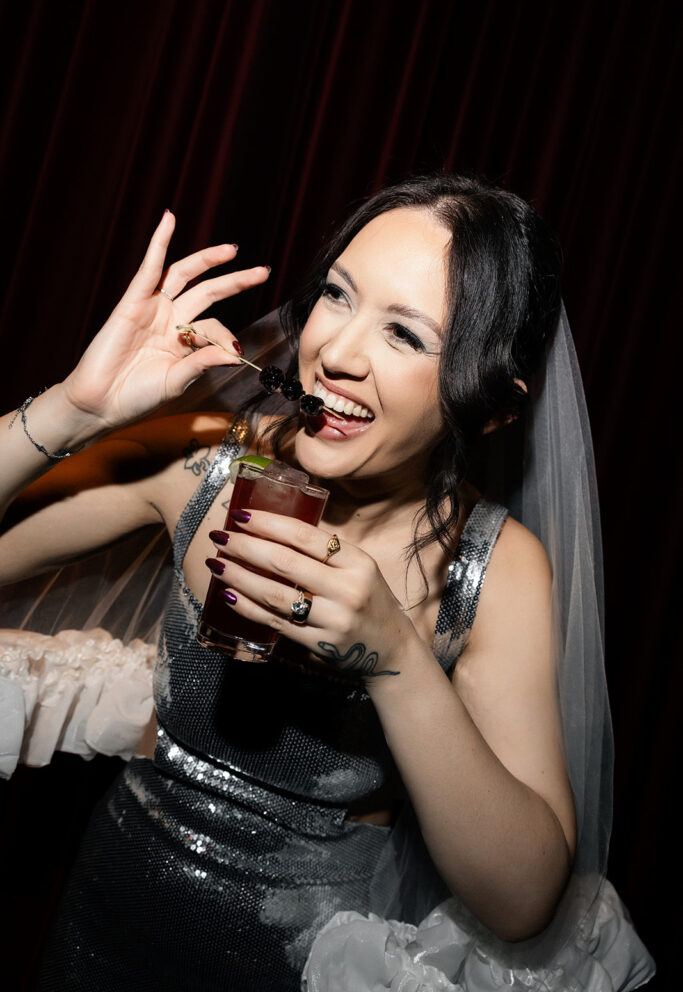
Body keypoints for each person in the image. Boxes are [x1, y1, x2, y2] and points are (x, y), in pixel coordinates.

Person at [0, 175, 654, 991]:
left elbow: (522, 902)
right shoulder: (203, 461)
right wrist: (72, 411)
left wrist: (394, 656)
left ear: (488, 410)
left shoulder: (493, 568)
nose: (337, 353)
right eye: (337, 296)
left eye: (406, 336)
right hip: (96, 929)